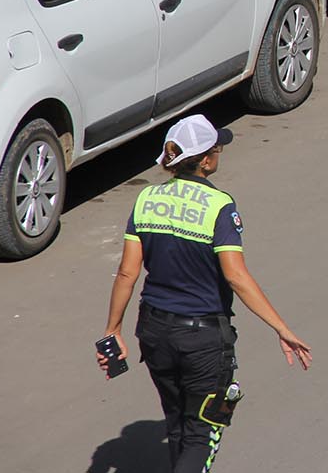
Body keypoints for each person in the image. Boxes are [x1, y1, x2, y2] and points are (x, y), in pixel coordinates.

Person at [98, 115, 311, 473]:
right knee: (203, 431)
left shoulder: (147, 199)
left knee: (178, 422)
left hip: (153, 332)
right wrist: (282, 328)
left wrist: (112, 331)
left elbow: (127, 273)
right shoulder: (219, 206)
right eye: (217, 148)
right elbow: (237, 277)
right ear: (207, 159)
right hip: (203, 342)